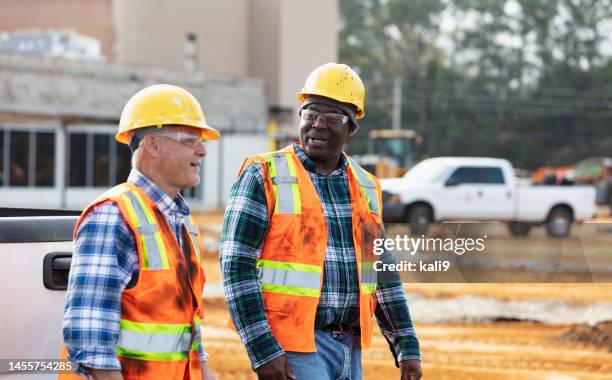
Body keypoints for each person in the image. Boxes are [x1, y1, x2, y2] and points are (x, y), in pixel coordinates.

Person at [221, 63, 422, 380]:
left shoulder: (366, 186)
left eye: (332, 118)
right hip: (292, 347)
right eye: (310, 114)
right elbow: (236, 266)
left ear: (351, 127)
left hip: (349, 347)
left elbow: (380, 270)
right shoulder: (264, 175)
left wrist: (406, 343)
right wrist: (262, 350)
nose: (318, 125)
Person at [61, 84, 219, 380]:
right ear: (154, 145)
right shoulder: (113, 215)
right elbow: (90, 339)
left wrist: (205, 372)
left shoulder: (182, 223)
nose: (203, 150)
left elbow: (186, 324)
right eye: (190, 140)